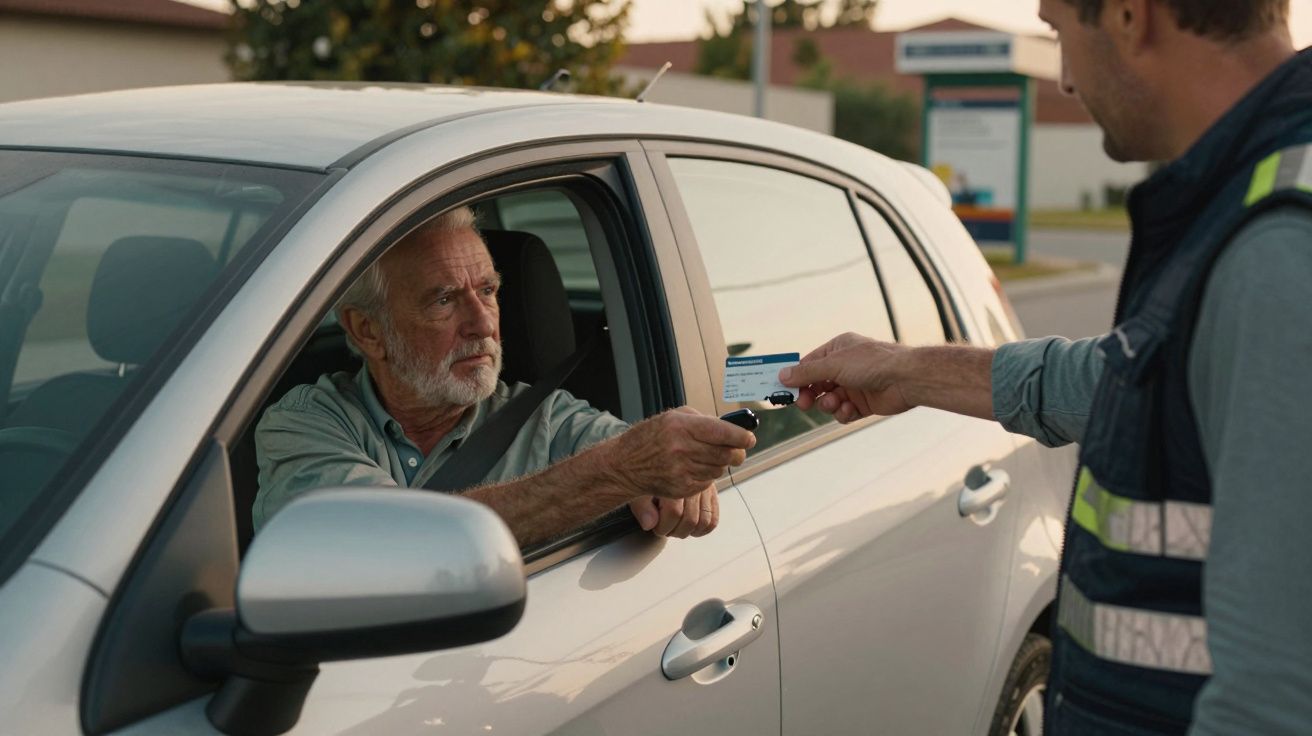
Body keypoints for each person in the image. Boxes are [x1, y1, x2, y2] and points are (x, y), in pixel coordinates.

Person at [779, 0, 1312, 733]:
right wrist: (904, 371)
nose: (1062, 77)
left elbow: (1278, 704)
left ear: (1130, 16)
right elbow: (1138, 382)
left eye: (1059, 30)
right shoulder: (1248, 196)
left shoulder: (1279, 249)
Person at [254, 206, 755, 547]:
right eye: (445, 299)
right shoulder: (303, 423)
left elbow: (634, 452)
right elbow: (389, 545)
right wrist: (618, 470)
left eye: (489, 291)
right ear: (368, 331)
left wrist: (672, 467)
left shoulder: (549, 418)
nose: (483, 323)